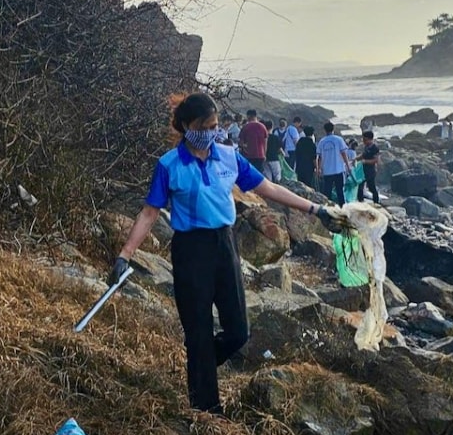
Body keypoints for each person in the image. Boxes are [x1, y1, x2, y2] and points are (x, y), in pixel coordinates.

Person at [108, 92, 350, 415]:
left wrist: (316, 209)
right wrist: (125, 254)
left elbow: (269, 188)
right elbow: (150, 213)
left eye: (216, 125)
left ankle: (201, 364)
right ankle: (207, 411)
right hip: (190, 250)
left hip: (225, 245)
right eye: (205, 126)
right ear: (186, 126)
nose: (212, 131)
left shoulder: (228, 156)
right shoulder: (169, 165)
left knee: (238, 331)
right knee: (198, 331)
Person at [316, 122, 352, 206]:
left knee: (327, 191)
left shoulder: (322, 141)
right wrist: (348, 165)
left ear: (325, 130)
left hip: (327, 171)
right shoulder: (338, 139)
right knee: (340, 191)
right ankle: (343, 208)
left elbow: (319, 157)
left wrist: (318, 169)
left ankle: (327, 207)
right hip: (338, 169)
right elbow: (343, 153)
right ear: (333, 129)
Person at [354, 130, 381, 203]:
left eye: (365, 139)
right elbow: (363, 155)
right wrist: (355, 159)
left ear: (370, 139)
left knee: (371, 187)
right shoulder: (366, 146)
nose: (363, 141)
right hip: (363, 170)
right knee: (360, 186)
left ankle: (376, 202)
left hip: (370, 171)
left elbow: (376, 160)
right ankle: (361, 202)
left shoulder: (375, 148)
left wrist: (365, 161)